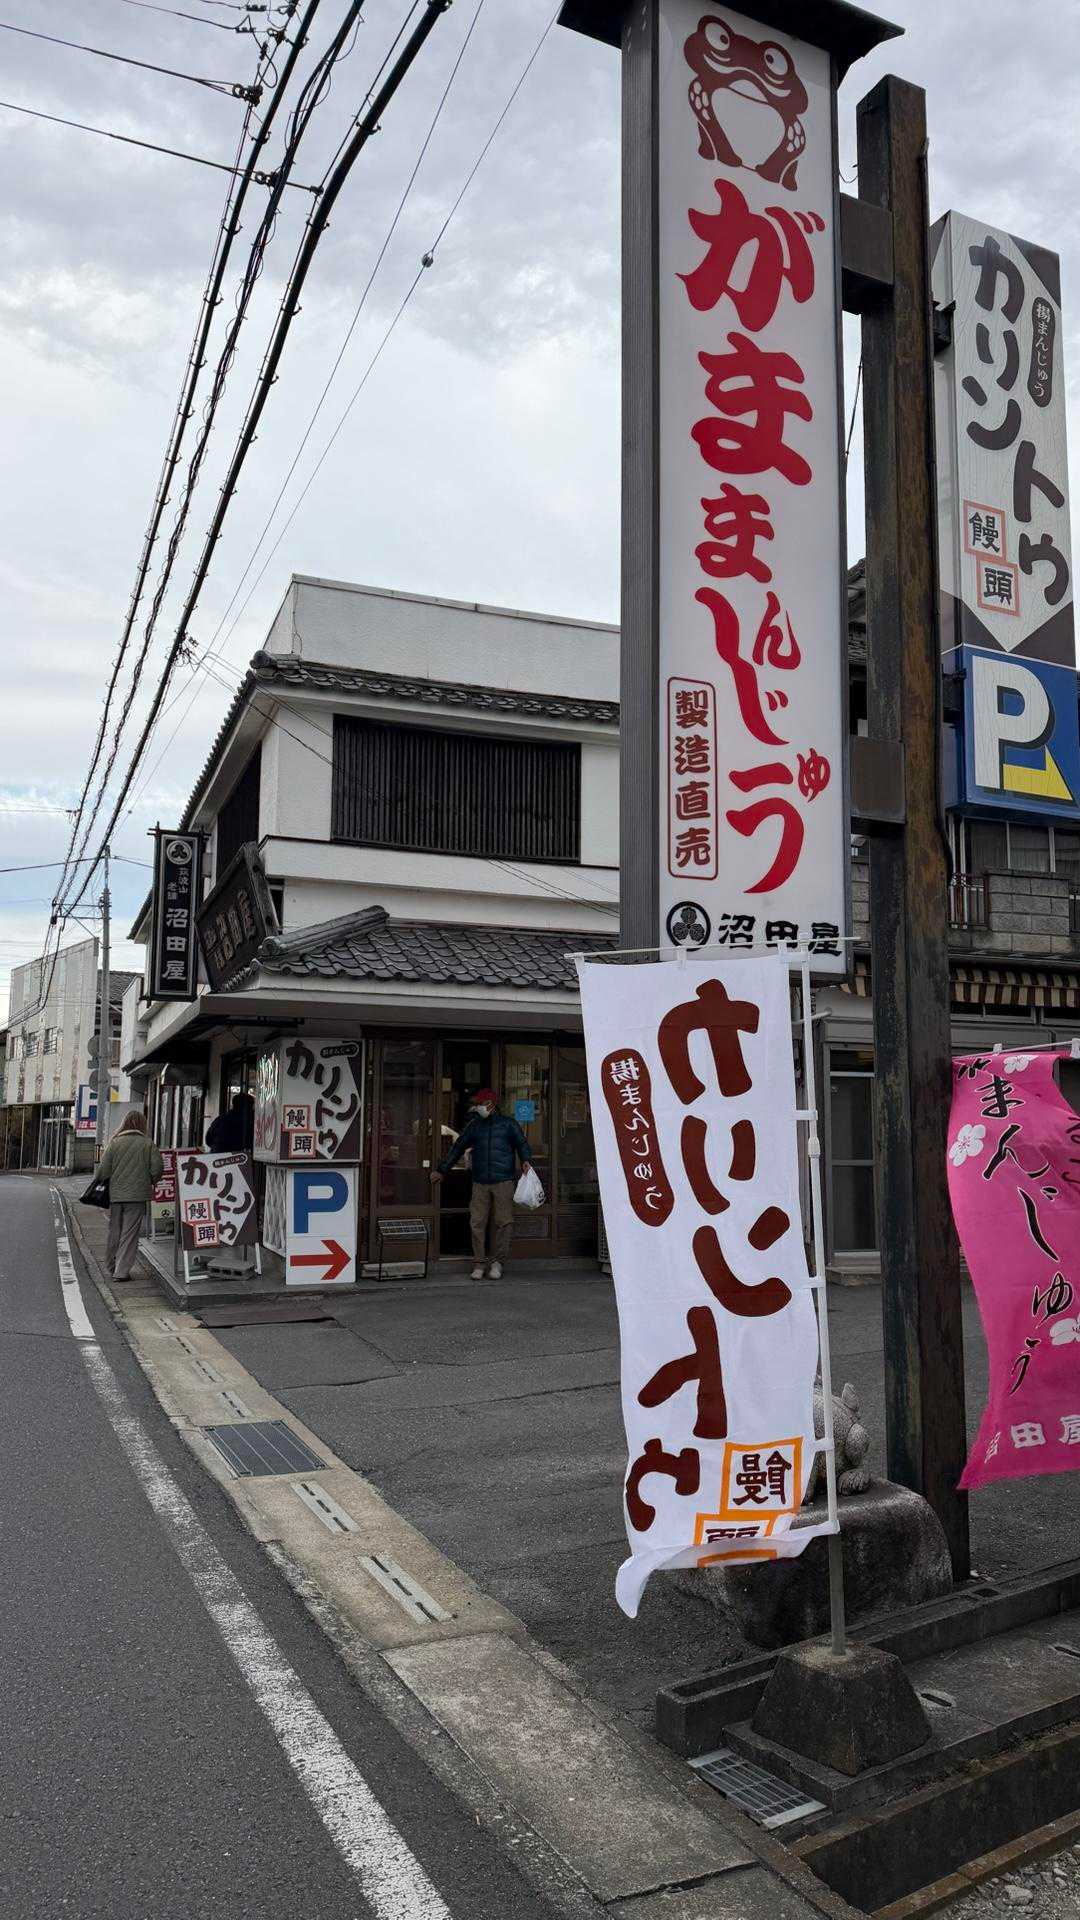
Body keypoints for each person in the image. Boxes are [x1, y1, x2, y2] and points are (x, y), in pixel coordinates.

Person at [431, 1088, 535, 1281]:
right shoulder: (474, 1126)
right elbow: (457, 1148)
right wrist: (442, 1170)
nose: (477, 1107)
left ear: (490, 1105)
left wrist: (526, 1160)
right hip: (480, 1182)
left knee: (504, 1222)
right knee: (477, 1222)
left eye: (480, 1104)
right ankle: (479, 1263)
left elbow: (522, 1144)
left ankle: (498, 1262)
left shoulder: (508, 1124)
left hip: (503, 1181)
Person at [95, 1111, 164, 1282]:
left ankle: (110, 1266)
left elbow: (102, 1171)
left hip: (115, 1195)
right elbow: (157, 1169)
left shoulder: (114, 1143)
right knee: (130, 1234)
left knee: (114, 1231)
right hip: (137, 1196)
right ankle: (121, 1272)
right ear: (142, 1124)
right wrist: (149, 1180)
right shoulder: (148, 1144)